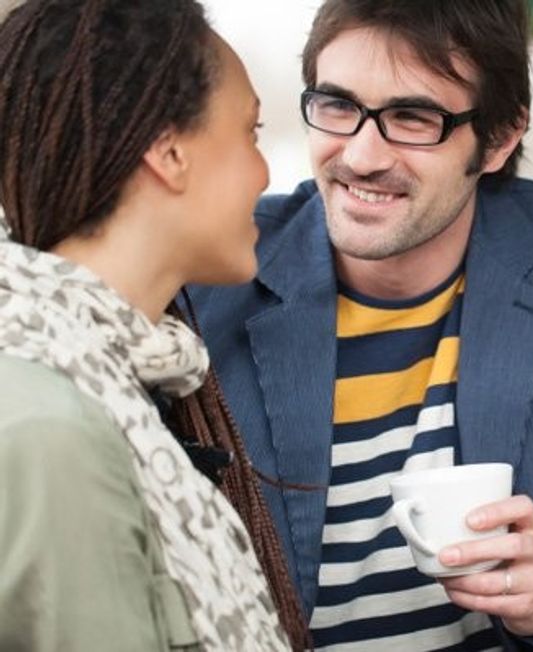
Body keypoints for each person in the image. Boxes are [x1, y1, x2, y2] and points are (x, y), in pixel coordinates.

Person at [186, 0, 533, 649]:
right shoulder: (215, 264)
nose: (362, 155)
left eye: (412, 117)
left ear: (501, 137)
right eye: (338, 105)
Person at [0, 0, 307, 649]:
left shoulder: (113, 382)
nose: (266, 172)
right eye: (251, 132)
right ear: (169, 152)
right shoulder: (53, 427)